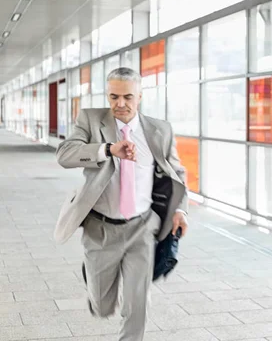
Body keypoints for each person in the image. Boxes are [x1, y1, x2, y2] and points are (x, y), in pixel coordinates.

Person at [54, 67, 189, 341]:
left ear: (139, 96)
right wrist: (107, 149)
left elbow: (178, 172)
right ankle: (94, 279)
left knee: (137, 304)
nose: (120, 104)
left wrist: (180, 209)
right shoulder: (91, 120)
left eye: (128, 97)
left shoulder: (159, 130)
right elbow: (64, 154)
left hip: (142, 227)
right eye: (114, 97)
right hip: (100, 229)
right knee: (103, 306)